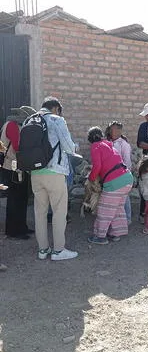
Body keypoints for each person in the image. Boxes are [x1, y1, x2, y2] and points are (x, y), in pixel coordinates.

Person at [30, 97, 78, 261]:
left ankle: (43, 250)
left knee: (40, 213)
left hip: (35, 173)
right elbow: (69, 147)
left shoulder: (31, 120)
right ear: (56, 108)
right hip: (55, 172)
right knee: (59, 212)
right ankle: (58, 251)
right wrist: (75, 146)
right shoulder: (57, 120)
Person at [86, 127, 133, 245]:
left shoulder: (95, 146)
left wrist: (90, 179)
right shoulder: (109, 145)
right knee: (117, 209)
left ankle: (100, 236)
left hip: (115, 182)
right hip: (127, 178)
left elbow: (97, 166)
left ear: (90, 139)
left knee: (104, 210)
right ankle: (115, 233)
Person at [0, 106, 34, 240]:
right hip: (13, 167)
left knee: (21, 198)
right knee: (15, 199)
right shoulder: (13, 126)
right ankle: (13, 231)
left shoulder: (11, 124)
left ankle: (21, 227)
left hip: (16, 167)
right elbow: (17, 147)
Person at [107, 121, 132, 224]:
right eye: (112, 129)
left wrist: (126, 175)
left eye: (116, 129)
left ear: (120, 131)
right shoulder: (108, 142)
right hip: (110, 175)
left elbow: (127, 161)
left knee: (124, 198)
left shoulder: (124, 144)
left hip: (121, 175)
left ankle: (127, 218)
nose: (114, 131)